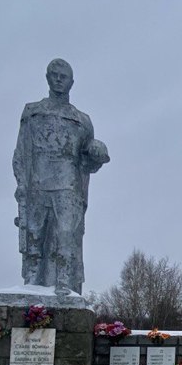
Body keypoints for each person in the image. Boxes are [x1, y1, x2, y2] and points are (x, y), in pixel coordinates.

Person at [12, 58, 110, 296]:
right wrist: (22, 185)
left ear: (71, 82)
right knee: (34, 236)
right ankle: (32, 284)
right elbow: (21, 153)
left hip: (68, 187)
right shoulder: (33, 112)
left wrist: (97, 152)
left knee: (65, 235)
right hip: (37, 184)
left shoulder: (81, 120)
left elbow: (88, 161)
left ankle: (64, 283)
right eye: (54, 74)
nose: (58, 79)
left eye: (63, 76)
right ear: (47, 77)